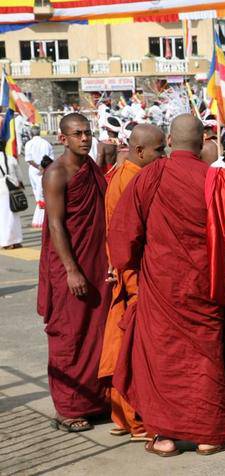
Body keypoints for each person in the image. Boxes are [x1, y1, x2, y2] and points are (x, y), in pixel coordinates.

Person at [109, 114, 225, 455]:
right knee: (205, 358)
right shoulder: (217, 179)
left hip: (162, 286)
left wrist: (130, 263)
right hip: (205, 285)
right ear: (202, 143)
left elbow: (124, 234)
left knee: (163, 358)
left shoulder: (151, 175)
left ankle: (165, 437)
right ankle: (209, 436)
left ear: (170, 141)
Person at [37, 113, 110, 432]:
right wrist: (71, 270)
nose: (85, 138)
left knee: (97, 331)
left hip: (96, 261)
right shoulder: (57, 174)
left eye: (88, 133)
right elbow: (55, 224)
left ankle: (96, 401)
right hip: (72, 264)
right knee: (70, 333)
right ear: (62, 138)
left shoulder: (92, 170)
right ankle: (68, 407)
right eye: (77, 134)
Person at [99, 124, 166, 442]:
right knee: (132, 350)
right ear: (139, 151)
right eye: (159, 150)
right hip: (133, 276)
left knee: (123, 346)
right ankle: (135, 419)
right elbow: (128, 235)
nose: (163, 156)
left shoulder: (129, 173)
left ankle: (125, 419)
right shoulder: (129, 178)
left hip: (128, 271)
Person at [24, 125, 53, 229]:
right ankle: (40, 219)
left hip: (34, 170)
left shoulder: (29, 144)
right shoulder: (46, 143)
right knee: (42, 193)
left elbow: (29, 159)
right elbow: (50, 159)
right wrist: (42, 167)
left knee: (38, 194)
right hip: (45, 169)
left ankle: (39, 220)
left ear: (31, 134)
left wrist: (38, 167)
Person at [0, 144, 24, 249]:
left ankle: (5, 242)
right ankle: (16, 240)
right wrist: (20, 185)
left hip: (1, 189)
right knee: (14, 215)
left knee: (3, 216)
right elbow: (20, 175)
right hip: (12, 188)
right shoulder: (11, 158)